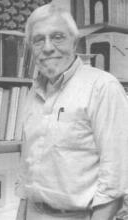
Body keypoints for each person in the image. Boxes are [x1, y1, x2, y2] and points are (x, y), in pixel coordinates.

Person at [15, 2, 128, 220]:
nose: (47, 47)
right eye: (39, 40)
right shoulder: (33, 92)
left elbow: (116, 179)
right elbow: (26, 172)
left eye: (57, 37)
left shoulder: (102, 87)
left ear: (74, 42)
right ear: (31, 47)